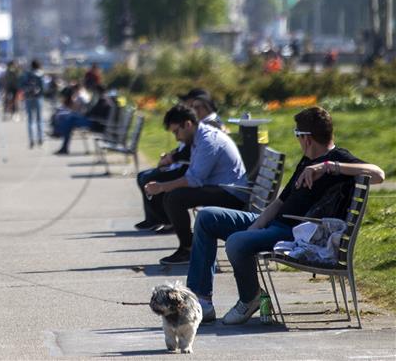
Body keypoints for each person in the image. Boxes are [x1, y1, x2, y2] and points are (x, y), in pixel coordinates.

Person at [186, 107, 385, 325]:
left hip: (291, 233)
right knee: (206, 217)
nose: (298, 141)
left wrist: (329, 166)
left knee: (236, 242)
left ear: (306, 138)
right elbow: (281, 201)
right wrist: (257, 225)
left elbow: (378, 174)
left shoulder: (337, 158)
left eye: (297, 135)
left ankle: (249, 298)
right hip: (272, 223)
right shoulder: (305, 161)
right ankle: (202, 302)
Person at [143, 104, 248, 265]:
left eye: (176, 131)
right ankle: (188, 247)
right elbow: (192, 176)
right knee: (173, 196)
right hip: (221, 188)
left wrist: (161, 187)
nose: (177, 138)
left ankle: (188, 249)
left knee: (174, 198)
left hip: (232, 193)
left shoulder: (208, 141)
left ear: (188, 124)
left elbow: (194, 180)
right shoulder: (199, 137)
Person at [134, 91, 224, 233]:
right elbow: (187, 148)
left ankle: (168, 224)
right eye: (193, 106)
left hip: (207, 178)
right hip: (194, 170)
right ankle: (156, 219)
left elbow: (195, 171)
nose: (194, 110)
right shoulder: (199, 125)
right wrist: (171, 156)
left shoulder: (209, 126)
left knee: (161, 187)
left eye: (198, 106)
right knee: (145, 177)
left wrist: (170, 164)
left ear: (207, 107)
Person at [53, 85, 114, 155]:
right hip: (95, 122)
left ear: (98, 92)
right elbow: (93, 112)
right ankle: (63, 144)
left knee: (70, 120)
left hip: (96, 123)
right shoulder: (105, 100)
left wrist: (86, 114)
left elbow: (94, 113)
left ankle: (63, 144)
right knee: (70, 118)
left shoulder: (103, 101)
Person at [20, 59, 45, 148]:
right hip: (38, 98)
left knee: (30, 120)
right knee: (39, 119)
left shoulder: (27, 74)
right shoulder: (40, 74)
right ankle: (40, 138)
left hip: (28, 98)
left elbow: (21, 86)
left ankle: (31, 140)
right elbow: (43, 87)